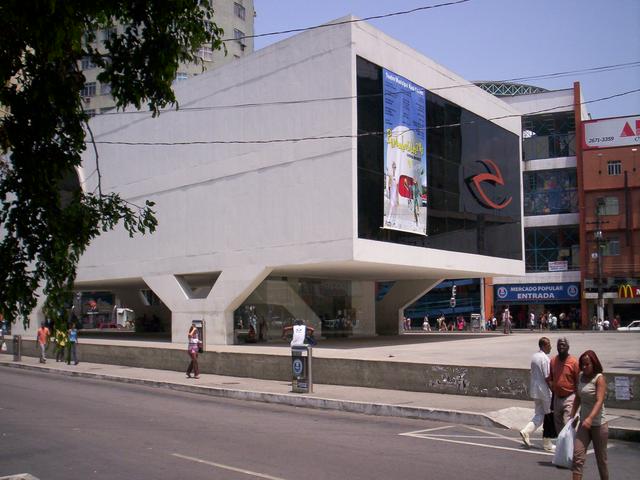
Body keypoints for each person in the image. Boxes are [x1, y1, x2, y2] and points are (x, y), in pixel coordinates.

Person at [570, 350, 609, 480]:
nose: (584, 367)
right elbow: (578, 397)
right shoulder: (581, 376)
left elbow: (599, 400)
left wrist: (590, 418)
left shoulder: (599, 378)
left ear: (594, 364)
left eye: (587, 364)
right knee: (577, 458)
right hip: (583, 424)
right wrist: (572, 416)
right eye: (583, 364)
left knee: (601, 461)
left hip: (598, 424)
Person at [519, 337, 555, 452]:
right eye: (549, 345)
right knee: (549, 416)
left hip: (535, 390)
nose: (551, 347)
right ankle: (547, 443)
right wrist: (553, 390)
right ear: (544, 346)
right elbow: (547, 377)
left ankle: (526, 431)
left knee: (539, 414)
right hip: (544, 391)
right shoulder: (545, 359)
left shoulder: (534, 357)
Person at [546, 337, 580, 436]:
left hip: (569, 396)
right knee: (558, 426)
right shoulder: (553, 361)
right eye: (559, 345)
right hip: (557, 397)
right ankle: (562, 447)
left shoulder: (574, 362)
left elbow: (578, 381)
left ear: (568, 347)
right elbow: (550, 379)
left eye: (563, 345)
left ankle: (571, 447)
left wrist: (578, 400)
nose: (561, 347)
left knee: (567, 423)